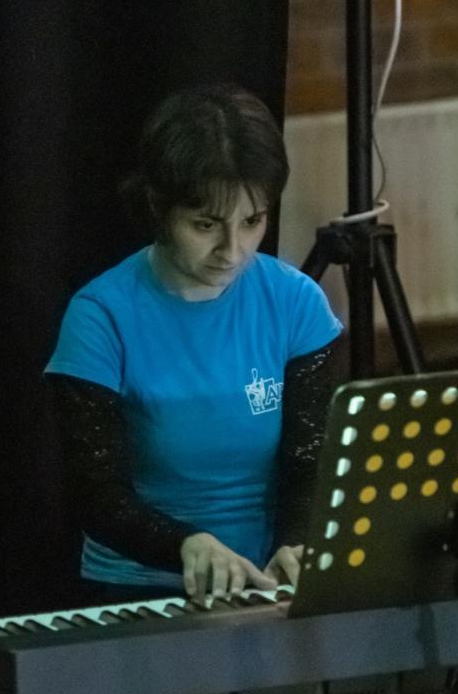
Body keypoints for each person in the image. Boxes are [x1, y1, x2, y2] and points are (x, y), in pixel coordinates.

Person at [45, 84, 343, 604]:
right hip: (139, 588)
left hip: (266, 585)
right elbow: (97, 495)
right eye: (206, 225)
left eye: (252, 222)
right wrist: (186, 544)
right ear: (159, 208)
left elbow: (309, 461)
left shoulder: (295, 302)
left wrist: (295, 543)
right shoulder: (101, 315)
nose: (233, 250)